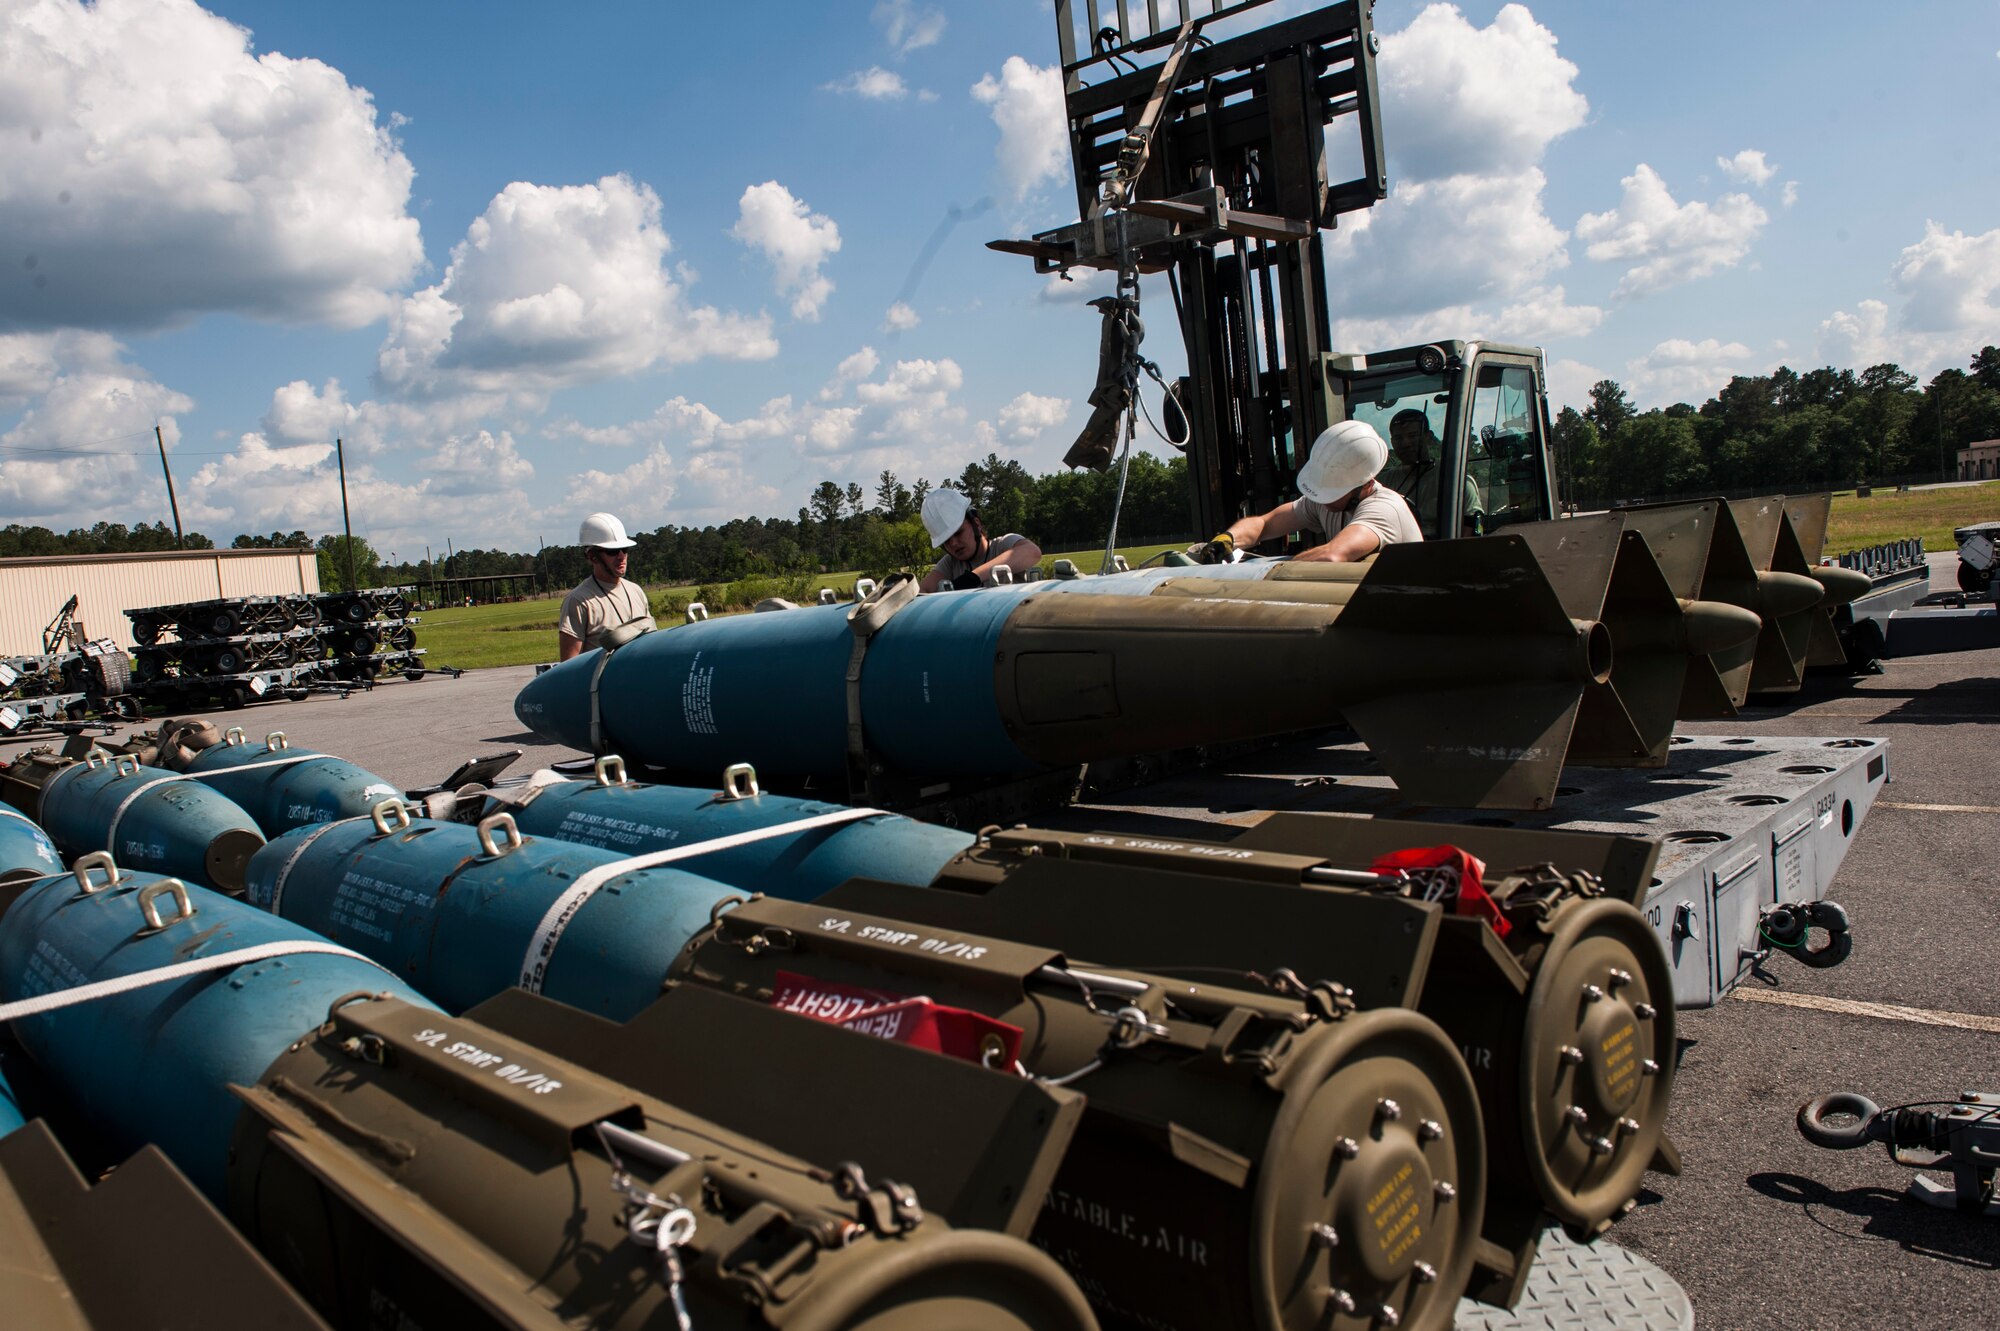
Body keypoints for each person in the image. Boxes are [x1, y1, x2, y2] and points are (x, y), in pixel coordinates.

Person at [1190, 420, 1420, 564]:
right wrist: (1227, 539)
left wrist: (1267, 575)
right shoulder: (1325, 502)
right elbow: (1265, 524)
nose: (1322, 497)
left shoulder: (1384, 508)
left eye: (1331, 490)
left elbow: (1333, 555)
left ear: (1364, 485)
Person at [557, 512, 650, 660]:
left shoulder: (636, 591)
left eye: (624, 550)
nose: (621, 556)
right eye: (612, 551)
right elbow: (569, 665)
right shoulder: (578, 601)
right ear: (592, 556)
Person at [918, 489, 1043, 592]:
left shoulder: (1003, 545)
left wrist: (974, 577)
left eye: (958, 533)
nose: (954, 543)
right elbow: (922, 592)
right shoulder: (950, 564)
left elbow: (1032, 552)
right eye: (946, 541)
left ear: (976, 524)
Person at [1384, 408, 1483, 537]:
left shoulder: (1454, 478)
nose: (1405, 443)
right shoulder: (1383, 483)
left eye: (1413, 436)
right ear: (1391, 442)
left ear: (1428, 437)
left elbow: (1470, 526)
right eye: (1398, 438)